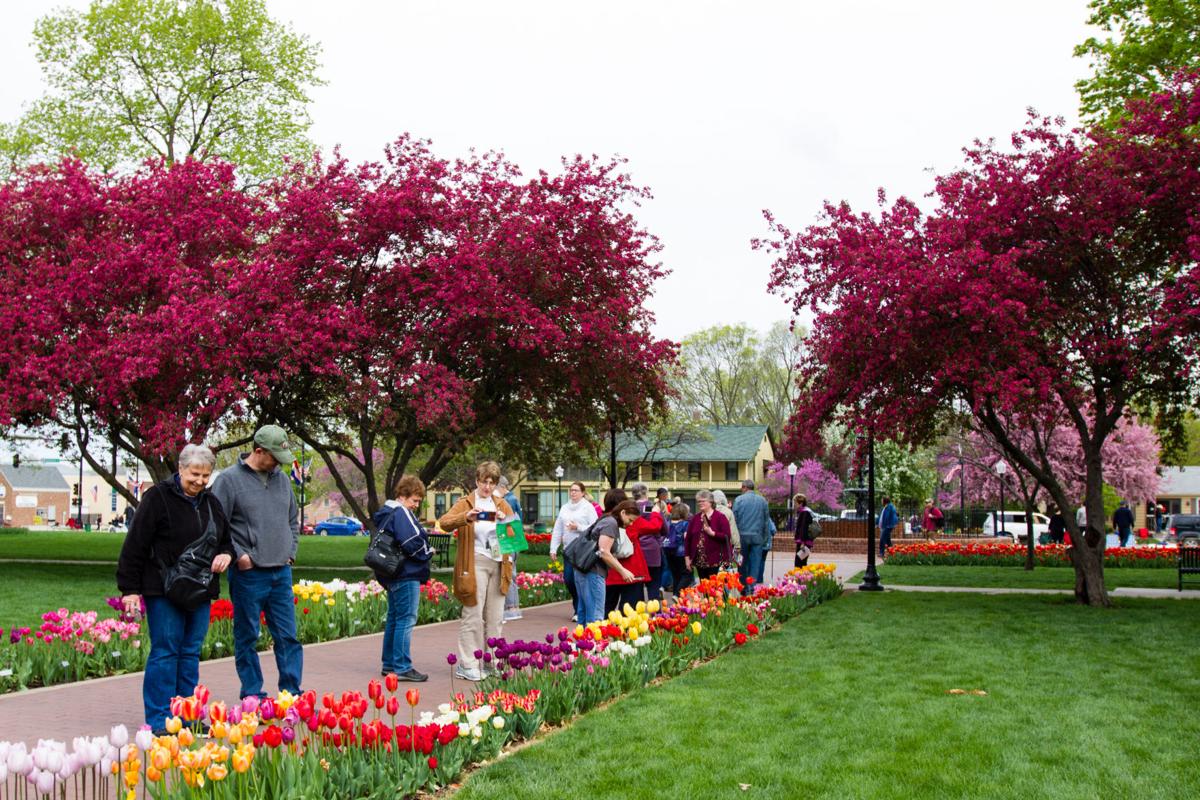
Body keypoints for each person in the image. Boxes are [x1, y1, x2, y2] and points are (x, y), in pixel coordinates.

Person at [117, 444, 234, 732]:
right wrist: (129, 589)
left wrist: (226, 555)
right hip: (163, 588)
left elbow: (225, 540)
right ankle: (160, 719)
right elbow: (135, 545)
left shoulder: (211, 503)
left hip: (199, 589)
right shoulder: (157, 498)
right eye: (195, 474)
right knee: (166, 651)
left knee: (190, 652)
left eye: (205, 475)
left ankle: (189, 715)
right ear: (181, 469)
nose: (200, 481)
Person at [211, 424, 303, 701]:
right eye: (274, 457)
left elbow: (292, 520)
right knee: (248, 636)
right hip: (249, 574)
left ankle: (291, 692)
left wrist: (291, 552)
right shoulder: (228, 481)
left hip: (281, 570)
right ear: (258, 450)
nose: (278, 464)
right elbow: (217, 523)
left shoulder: (282, 480)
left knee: (288, 636)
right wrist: (240, 555)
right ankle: (252, 693)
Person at [439, 461, 515, 681]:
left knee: (495, 617)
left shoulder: (502, 505)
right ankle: (468, 663)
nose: (487, 487)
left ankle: (492, 661)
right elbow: (444, 523)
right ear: (477, 481)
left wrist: (505, 524)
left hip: (499, 563)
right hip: (474, 563)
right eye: (484, 482)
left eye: (492, 482)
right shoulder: (465, 503)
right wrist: (467, 517)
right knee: (473, 614)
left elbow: (514, 540)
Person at [371, 474, 435, 682]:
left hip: (391, 573)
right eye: (414, 500)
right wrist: (428, 551)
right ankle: (401, 666)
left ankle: (389, 663)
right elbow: (411, 542)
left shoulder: (387, 512)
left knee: (395, 618)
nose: (416, 505)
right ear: (403, 495)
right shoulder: (401, 512)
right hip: (406, 573)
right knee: (406, 620)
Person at [574, 494, 639, 623]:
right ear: (623, 512)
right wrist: (622, 571)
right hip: (594, 571)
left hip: (583, 568)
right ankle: (593, 642)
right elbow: (604, 552)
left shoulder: (606, 519)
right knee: (595, 614)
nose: (630, 524)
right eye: (630, 520)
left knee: (584, 611)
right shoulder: (611, 523)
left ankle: (584, 641)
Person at [548, 481, 598, 622]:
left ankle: (579, 610)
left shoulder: (588, 508)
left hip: (583, 551)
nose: (573, 493)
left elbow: (595, 527)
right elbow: (558, 528)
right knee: (569, 579)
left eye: (576, 490)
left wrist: (578, 527)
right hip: (568, 550)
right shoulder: (565, 508)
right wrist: (553, 548)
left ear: (583, 492)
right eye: (571, 490)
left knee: (581, 581)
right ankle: (578, 604)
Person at [628, 483, 666, 602]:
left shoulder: (629, 508)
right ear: (646, 493)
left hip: (633, 550)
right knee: (653, 584)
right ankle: (655, 615)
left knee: (636, 586)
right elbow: (664, 528)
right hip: (652, 551)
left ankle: (637, 615)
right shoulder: (652, 508)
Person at [685, 490, 732, 581]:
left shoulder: (720, 517)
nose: (700, 503)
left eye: (703, 501)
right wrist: (687, 559)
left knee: (715, 588)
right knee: (704, 587)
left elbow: (727, 536)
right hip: (699, 561)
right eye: (698, 501)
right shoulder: (695, 518)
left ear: (710, 502)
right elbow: (688, 540)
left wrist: (712, 533)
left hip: (716, 560)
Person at [733, 479, 771, 588]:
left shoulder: (739, 500)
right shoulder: (762, 501)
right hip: (757, 536)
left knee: (741, 562)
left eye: (742, 487)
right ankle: (751, 587)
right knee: (755, 563)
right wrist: (765, 538)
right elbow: (766, 521)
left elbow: (735, 519)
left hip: (742, 536)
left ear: (745, 487)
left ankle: (743, 585)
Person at [497, 476, 524, 622]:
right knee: (510, 571)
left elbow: (513, 522)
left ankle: (511, 607)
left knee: (509, 572)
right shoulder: (512, 499)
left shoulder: (509, 500)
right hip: (512, 540)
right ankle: (512, 607)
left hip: (509, 541)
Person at [664, 503, 692, 596]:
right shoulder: (685, 524)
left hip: (668, 551)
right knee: (688, 575)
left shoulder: (667, 522)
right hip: (681, 552)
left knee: (676, 576)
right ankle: (677, 594)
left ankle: (677, 599)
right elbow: (686, 538)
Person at [711, 490, 741, 567]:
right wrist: (737, 545)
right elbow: (733, 530)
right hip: (725, 544)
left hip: (711, 543)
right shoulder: (728, 512)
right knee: (724, 569)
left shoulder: (709, 511)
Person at [793, 494, 815, 567]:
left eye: (795, 503)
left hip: (803, 542)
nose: (794, 505)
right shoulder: (805, 511)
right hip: (806, 542)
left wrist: (802, 542)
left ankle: (801, 578)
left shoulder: (804, 512)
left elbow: (803, 528)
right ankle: (803, 578)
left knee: (799, 563)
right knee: (802, 563)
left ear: (801, 503)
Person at [878, 495, 898, 560]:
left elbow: (887, 517)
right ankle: (892, 552)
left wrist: (884, 525)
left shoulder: (889, 507)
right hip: (887, 525)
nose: (881, 501)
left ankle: (881, 553)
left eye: (882, 500)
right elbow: (882, 516)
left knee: (882, 538)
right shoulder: (887, 507)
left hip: (888, 526)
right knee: (888, 540)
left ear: (884, 501)